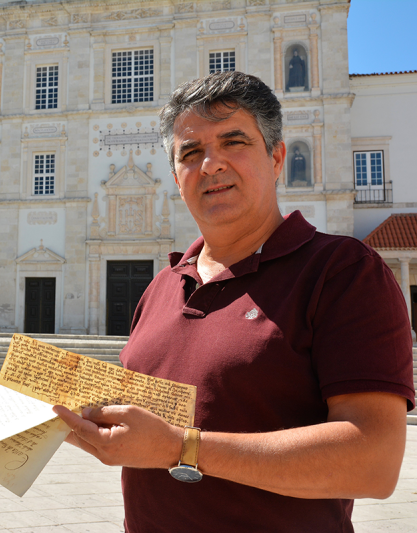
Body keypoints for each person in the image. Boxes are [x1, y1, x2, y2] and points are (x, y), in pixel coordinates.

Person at [53, 71, 414, 532]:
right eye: (190, 152)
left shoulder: (343, 272)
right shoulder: (161, 285)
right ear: (176, 177)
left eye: (233, 141)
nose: (210, 164)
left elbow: (374, 462)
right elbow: (159, 423)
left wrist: (180, 448)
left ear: (278, 156)